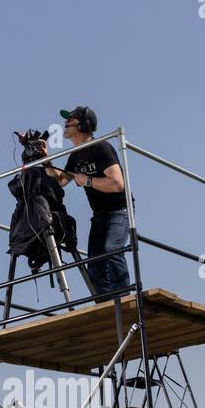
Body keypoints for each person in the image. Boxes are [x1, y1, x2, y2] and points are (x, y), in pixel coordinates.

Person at [46, 106, 129, 298]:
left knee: (111, 250)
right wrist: (45, 159)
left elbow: (118, 184)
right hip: (99, 215)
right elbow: (60, 181)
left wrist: (88, 180)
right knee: (95, 262)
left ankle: (125, 300)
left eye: (70, 120)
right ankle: (107, 305)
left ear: (84, 125)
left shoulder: (101, 147)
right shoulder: (75, 156)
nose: (65, 124)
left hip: (118, 211)